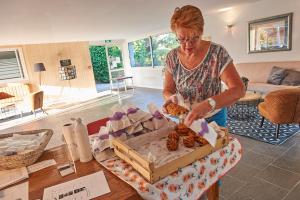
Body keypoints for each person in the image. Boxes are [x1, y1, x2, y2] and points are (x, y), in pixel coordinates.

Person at [163, 5, 245, 128]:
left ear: (201, 32)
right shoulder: (172, 57)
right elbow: (167, 90)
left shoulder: (217, 53)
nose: (187, 45)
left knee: (215, 147)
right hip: (185, 117)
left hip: (214, 118)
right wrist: (171, 97)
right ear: (176, 35)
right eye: (181, 39)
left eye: (193, 38)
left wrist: (209, 104)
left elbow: (239, 89)